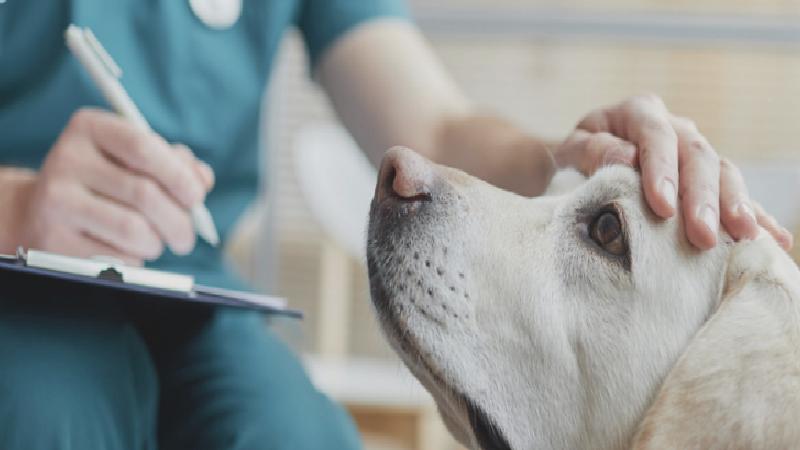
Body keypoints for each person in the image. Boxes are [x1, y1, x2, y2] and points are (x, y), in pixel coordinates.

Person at [0, 1, 791, 449]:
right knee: (47, 416)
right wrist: (18, 207)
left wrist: (569, 151)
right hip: (11, 271)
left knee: (295, 437)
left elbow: (437, 129)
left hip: (191, 288)